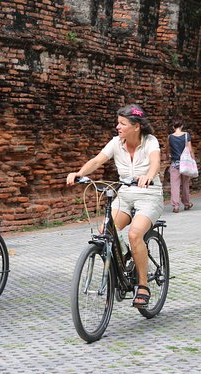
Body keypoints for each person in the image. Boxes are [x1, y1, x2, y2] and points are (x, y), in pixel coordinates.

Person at [66, 104, 165, 308]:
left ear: (136, 126)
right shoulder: (116, 143)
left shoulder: (150, 141)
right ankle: (123, 267)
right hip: (125, 194)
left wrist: (148, 176)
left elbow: (155, 161)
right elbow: (97, 160)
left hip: (148, 195)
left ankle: (143, 285)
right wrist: (80, 173)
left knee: (134, 234)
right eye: (118, 123)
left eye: (122, 123)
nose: (118, 127)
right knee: (105, 231)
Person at [167, 117, 194, 213]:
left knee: (174, 185)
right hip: (185, 164)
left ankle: (176, 206)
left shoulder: (170, 137)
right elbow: (190, 150)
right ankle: (187, 203)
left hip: (175, 163)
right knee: (185, 184)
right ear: (182, 126)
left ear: (173, 127)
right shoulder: (186, 135)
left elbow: (168, 150)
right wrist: (193, 160)